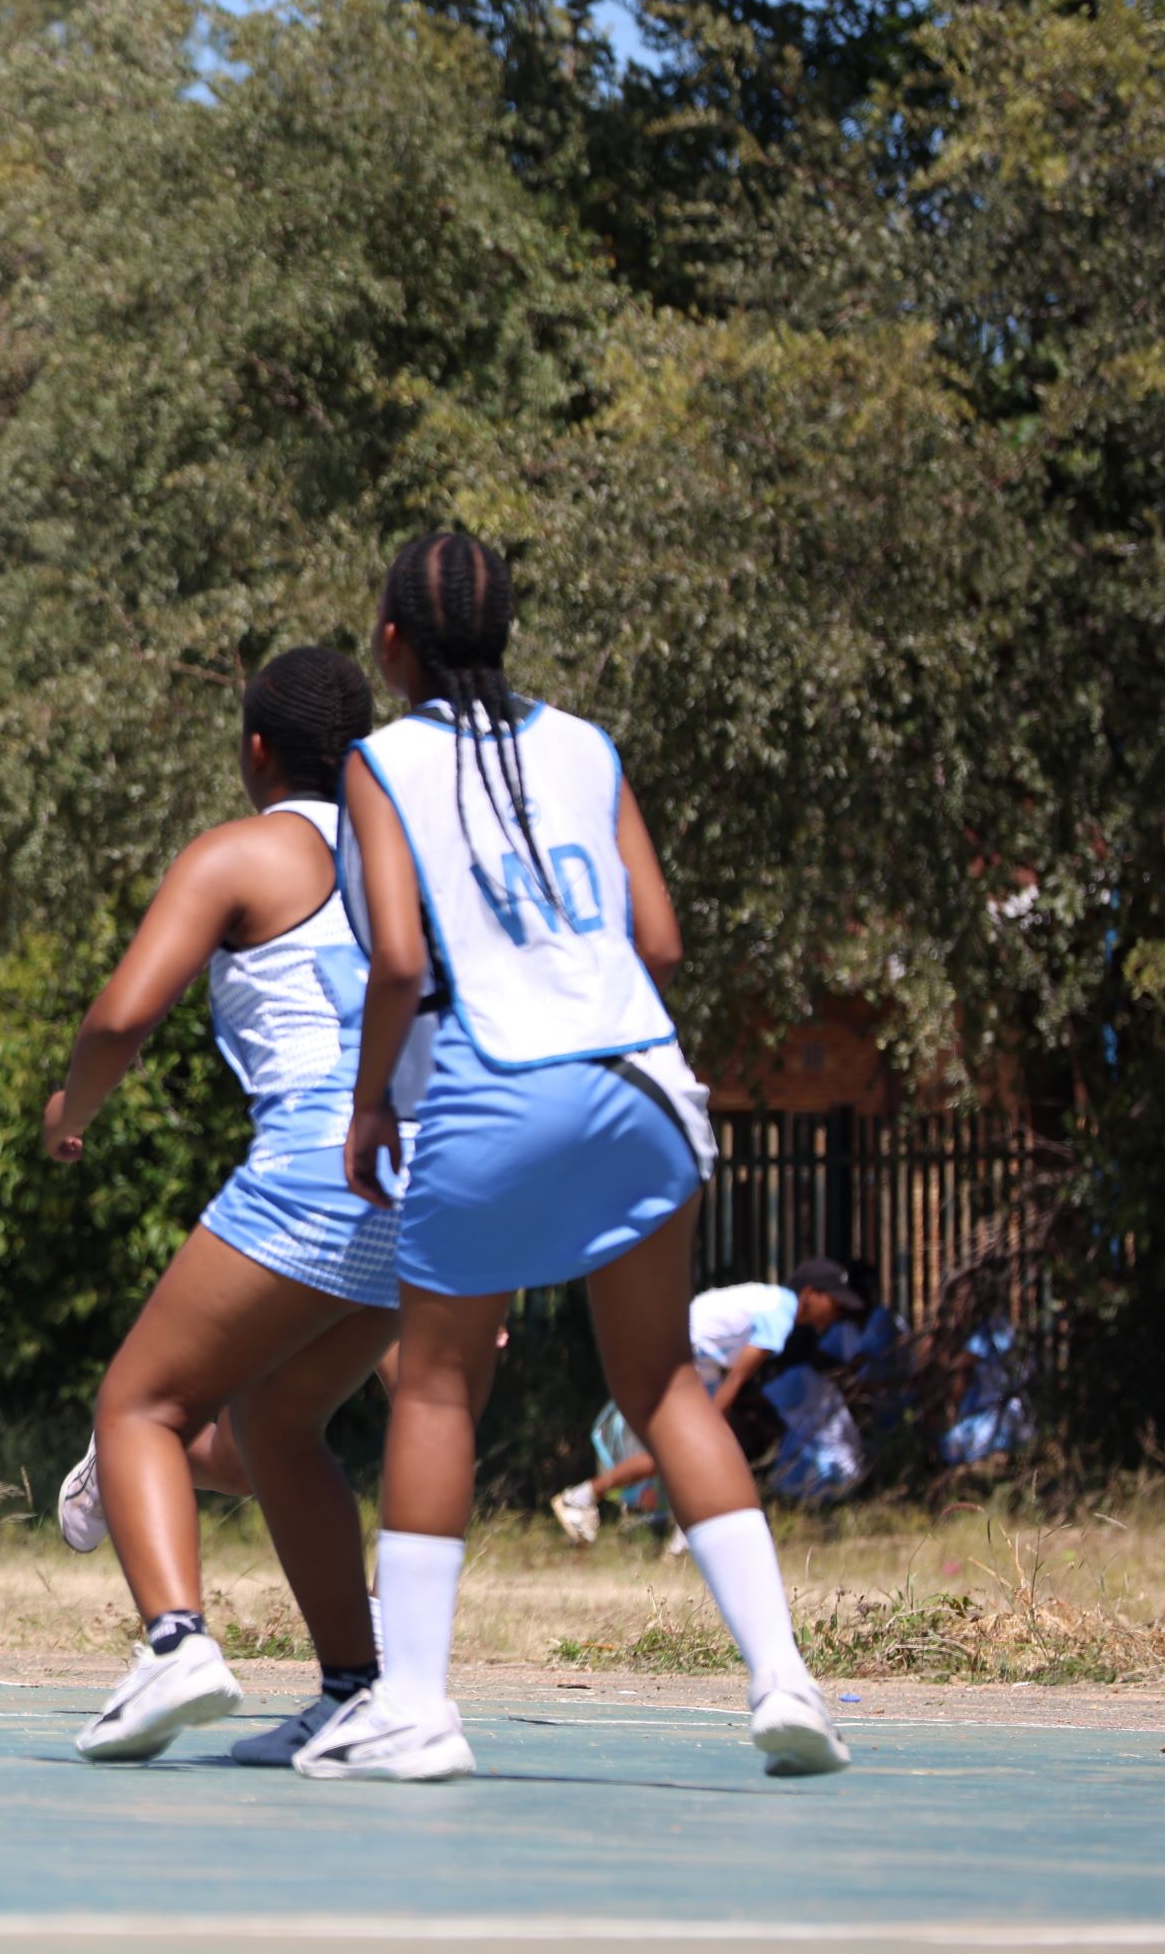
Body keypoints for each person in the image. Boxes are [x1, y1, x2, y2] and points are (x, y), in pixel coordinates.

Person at [296, 531, 847, 1782]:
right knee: (658, 1379)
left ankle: (419, 1706)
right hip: (647, 1084)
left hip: (498, 1084)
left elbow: (395, 961)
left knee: (435, 1386)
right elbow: (659, 935)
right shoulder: (586, 743)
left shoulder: (381, 763)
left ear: (391, 644)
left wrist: (373, 1103)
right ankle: (785, 1679)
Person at [44, 649, 410, 1764]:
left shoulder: (240, 852)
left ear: (256, 748)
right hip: (421, 1183)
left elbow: (122, 1014)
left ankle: (175, 1640)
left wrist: (75, 1106)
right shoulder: (412, 862)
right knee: (277, 1420)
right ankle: (356, 1689)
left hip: (315, 1158)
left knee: (138, 1403)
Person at [551, 1258, 867, 1541]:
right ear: (810, 1293)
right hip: (689, 1356)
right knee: (688, 1450)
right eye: (835, 1303)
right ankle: (585, 1498)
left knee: (683, 1451)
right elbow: (738, 1376)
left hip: (687, 1353)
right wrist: (710, 1427)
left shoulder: (772, 1300)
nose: (838, 1313)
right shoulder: (780, 1315)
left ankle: (684, 1528)